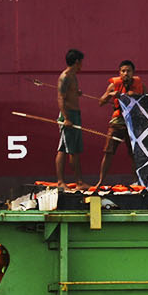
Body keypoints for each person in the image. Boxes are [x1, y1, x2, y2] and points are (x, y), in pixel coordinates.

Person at [94, 60, 147, 189]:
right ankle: (101, 181)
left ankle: (137, 181)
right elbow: (100, 102)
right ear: (120, 73)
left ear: (133, 73)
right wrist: (111, 94)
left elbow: (147, 100)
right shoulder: (114, 85)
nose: (125, 73)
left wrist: (134, 96)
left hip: (133, 123)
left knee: (134, 153)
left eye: (128, 71)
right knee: (108, 151)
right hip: (117, 122)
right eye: (123, 71)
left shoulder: (139, 85)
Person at [57, 48, 85, 191]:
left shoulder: (73, 76)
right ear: (77, 62)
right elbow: (60, 98)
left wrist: (76, 93)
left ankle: (72, 181)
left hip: (75, 114)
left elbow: (68, 94)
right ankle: (72, 182)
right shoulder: (65, 76)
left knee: (65, 148)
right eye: (81, 62)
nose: (82, 65)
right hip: (68, 115)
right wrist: (66, 118)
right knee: (71, 150)